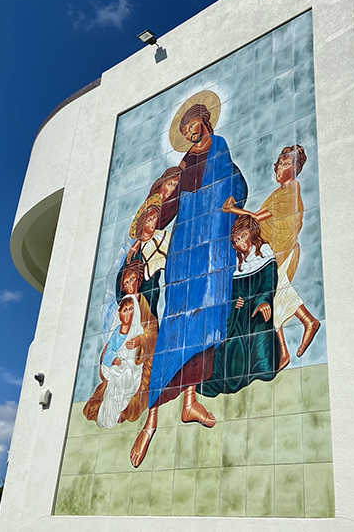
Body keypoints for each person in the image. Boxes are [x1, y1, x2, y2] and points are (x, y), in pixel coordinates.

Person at [130, 92, 248, 468]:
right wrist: (142, 234)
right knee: (174, 329)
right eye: (181, 129)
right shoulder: (184, 167)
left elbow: (238, 187)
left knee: (207, 323)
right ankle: (150, 422)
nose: (186, 131)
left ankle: (190, 401)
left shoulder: (222, 154)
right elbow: (167, 209)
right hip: (185, 254)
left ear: (204, 120)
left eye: (190, 124)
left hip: (213, 247)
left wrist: (230, 201)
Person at [223, 144, 320, 370]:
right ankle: (287, 347)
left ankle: (308, 323)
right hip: (272, 250)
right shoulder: (280, 192)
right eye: (279, 163)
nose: (280, 167)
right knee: (277, 295)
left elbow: (257, 218)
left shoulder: (290, 193)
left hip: (281, 250)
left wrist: (233, 210)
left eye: (286, 164)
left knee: (279, 291)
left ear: (296, 168)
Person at [200, 215, 280, 397]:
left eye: (243, 236)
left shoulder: (265, 253)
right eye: (236, 240)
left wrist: (264, 300)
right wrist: (236, 303)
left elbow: (269, 280)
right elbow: (234, 292)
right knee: (231, 346)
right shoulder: (238, 263)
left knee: (260, 335)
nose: (240, 242)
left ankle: (261, 374)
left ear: (252, 233)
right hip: (240, 313)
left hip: (258, 308)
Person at [84, 262, 158, 425]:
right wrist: (109, 357)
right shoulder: (124, 305)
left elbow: (152, 329)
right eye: (126, 283)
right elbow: (113, 336)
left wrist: (141, 340)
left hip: (139, 359)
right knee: (110, 389)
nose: (130, 285)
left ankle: (122, 410)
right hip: (120, 359)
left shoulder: (143, 303)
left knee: (136, 395)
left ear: (139, 281)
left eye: (132, 280)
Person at [91, 295, 144, 429]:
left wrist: (139, 342)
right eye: (124, 310)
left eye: (130, 309)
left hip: (131, 370)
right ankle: (108, 416)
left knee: (127, 376)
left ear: (135, 311)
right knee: (114, 389)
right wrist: (114, 358)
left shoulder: (138, 331)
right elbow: (109, 351)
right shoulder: (116, 333)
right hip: (116, 368)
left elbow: (140, 355)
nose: (127, 314)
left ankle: (119, 407)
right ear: (119, 313)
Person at [116, 202, 171, 318]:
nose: (152, 224)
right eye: (148, 220)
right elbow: (121, 281)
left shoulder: (162, 237)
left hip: (150, 290)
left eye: (155, 218)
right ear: (142, 223)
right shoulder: (135, 253)